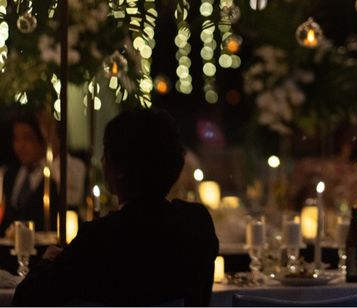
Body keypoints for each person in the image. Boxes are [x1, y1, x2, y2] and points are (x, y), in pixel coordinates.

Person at [12, 107, 219, 307]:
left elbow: (25, 299)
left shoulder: (99, 238)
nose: (102, 161)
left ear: (117, 168)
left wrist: (47, 263)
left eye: (105, 153)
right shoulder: (196, 226)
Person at [0, 108, 58, 235]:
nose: (20, 146)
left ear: (41, 140)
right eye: (16, 139)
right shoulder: (9, 174)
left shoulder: (52, 175)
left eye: (28, 138)